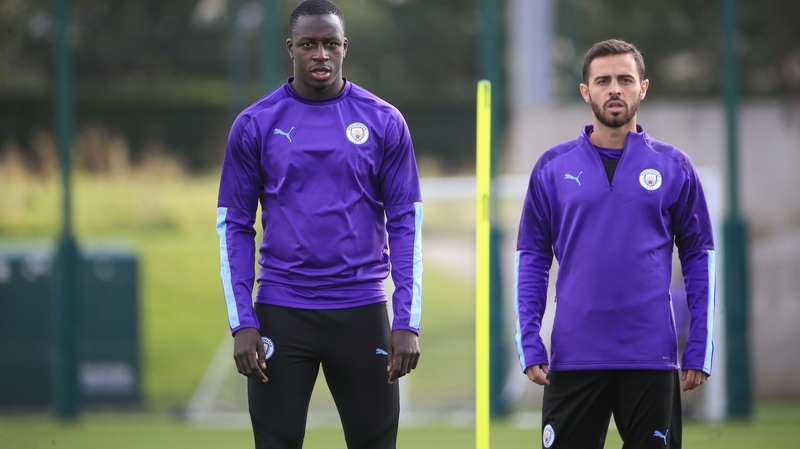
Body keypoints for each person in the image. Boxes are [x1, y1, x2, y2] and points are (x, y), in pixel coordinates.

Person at [215, 1, 423, 447]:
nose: (320, 54)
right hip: (282, 311)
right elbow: (233, 225)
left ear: (345, 47)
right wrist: (242, 321)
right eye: (308, 44)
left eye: (330, 44)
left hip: (362, 310)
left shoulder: (384, 121)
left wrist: (407, 320)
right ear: (291, 48)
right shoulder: (255, 123)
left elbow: (406, 222)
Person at [514, 39, 715, 449]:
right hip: (573, 356)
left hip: (651, 355)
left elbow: (699, 257)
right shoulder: (553, 167)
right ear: (586, 91)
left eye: (625, 79)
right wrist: (529, 337)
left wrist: (699, 344)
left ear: (643, 87)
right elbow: (531, 258)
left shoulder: (673, 166)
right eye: (603, 81)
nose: (614, 89)